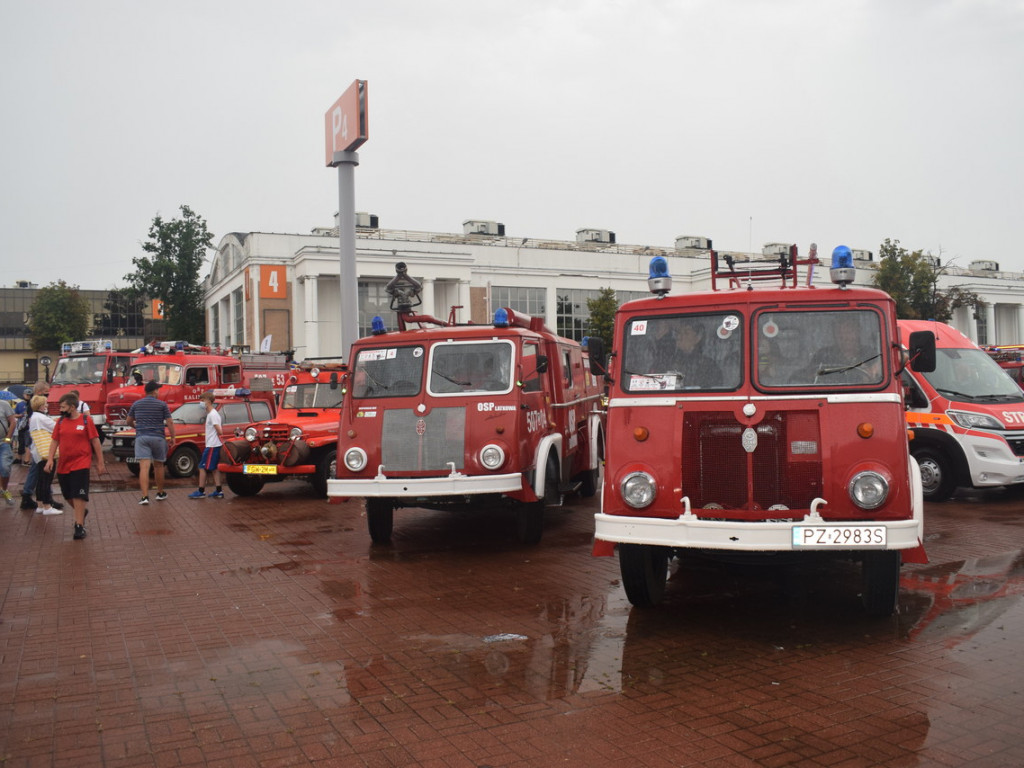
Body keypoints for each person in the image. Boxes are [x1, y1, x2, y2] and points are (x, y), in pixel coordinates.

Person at [44, 393, 106, 540]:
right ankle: (81, 512)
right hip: (64, 464)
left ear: (72, 407)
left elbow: (95, 441)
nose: (61, 409)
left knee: (79, 494)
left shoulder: (86, 420)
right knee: (68, 495)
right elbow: (54, 441)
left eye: (63, 407)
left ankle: (79, 525)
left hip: (81, 463)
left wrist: (100, 462)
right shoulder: (60, 422)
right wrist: (50, 459)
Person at [126, 380, 176, 505]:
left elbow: (128, 420)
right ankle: (160, 493)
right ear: (154, 391)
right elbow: (170, 422)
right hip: (158, 437)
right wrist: (173, 437)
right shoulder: (162, 405)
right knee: (158, 466)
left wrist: (136, 426)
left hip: (142, 437)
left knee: (144, 467)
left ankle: (144, 496)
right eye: (158, 390)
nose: (159, 392)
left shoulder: (136, 404)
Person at [811, 320, 881, 384]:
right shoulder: (824, 355)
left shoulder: (871, 354)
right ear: (835, 336)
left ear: (858, 332)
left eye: (849, 332)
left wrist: (873, 372)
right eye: (840, 333)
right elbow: (808, 376)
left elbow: (879, 376)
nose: (846, 337)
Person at [666, 320, 723, 388]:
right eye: (678, 333)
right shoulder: (667, 361)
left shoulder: (708, 365)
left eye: (686, 333)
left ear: (698, 338)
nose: (679, 337)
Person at [27, 395, 60, 515]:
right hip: (46, 452)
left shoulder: (34, 417)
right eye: (45, 403)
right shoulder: (41, 417)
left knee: (41, 479)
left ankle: (40, 504)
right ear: (41, 406)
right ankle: (47, 506)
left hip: (38, 452)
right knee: (47, 479)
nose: (47, 405)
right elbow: (57, 427)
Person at [188, 391, 224, 499]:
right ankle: (219, 490)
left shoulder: (213, 414)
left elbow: (219, 431)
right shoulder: (212, 414)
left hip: (212, 445)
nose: (201, 403)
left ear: (208, 401)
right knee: (214, 468)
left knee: (202, 467)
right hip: (214, 445)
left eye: (202, 400)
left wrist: (215, 436)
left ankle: (201, 490)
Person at [0, 394, 16, 504]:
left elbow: (13, 422)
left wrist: (8, 438)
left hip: (2, 442)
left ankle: (4, 490)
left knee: (5, 467)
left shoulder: (4, 404)